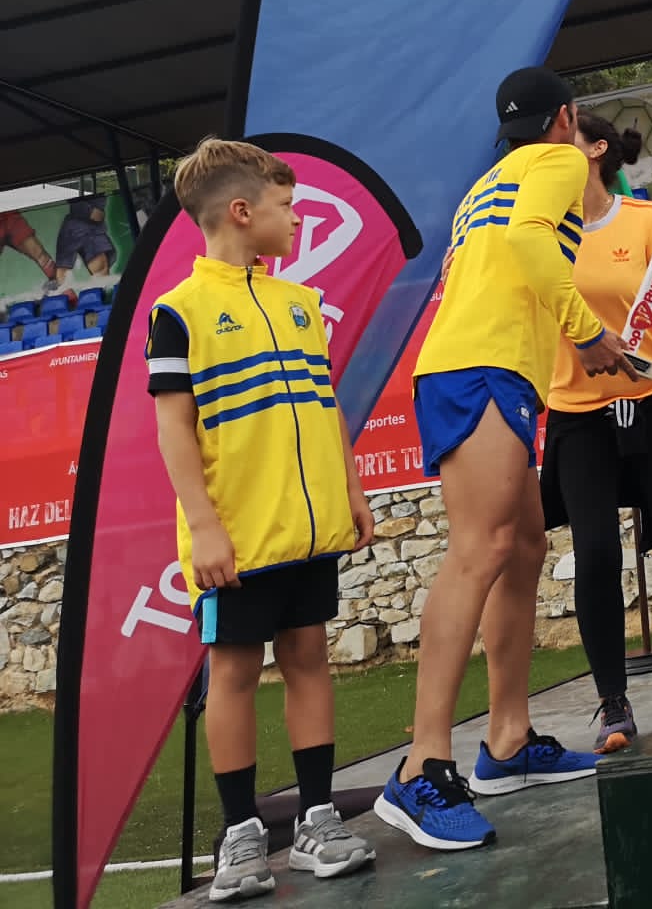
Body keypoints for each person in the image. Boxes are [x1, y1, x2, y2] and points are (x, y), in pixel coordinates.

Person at [376, 68, 635, 852]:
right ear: (567, 118)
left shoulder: (488, 181)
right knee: (481, 549)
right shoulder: (560, 159)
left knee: (522, 546)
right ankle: (420, 768)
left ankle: (510, 740)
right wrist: (586, 331)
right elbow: (528, 243)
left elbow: (502, 263)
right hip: (478, 366)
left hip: (490, 366)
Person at [147, 138, 377, 898]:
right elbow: (174, 430)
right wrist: (205, 527)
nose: (296, 218)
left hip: (309, 532)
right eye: (286, 206)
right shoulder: (178, 312)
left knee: (309, 657)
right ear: (242, 212)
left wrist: (350, 489)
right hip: (237, 540)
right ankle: (240, 834)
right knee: (235, 673)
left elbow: (326, 405)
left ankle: (318, 820)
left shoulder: (300, 302)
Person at [544, 110, 652, 755]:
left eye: (563, 141)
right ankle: (613, 702)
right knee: (595, 553)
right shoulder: (539, 233)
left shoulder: (645, 218)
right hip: (577, 413)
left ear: (596, 150)